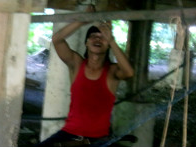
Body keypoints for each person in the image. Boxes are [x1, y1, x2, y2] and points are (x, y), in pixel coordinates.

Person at [36, 8, 135, 146]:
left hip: (99, 139)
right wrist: (81, 20)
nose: (97, 39)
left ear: (107, 46)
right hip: (69, 134)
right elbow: (57, 40)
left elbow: (129, 72)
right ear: (86, 43)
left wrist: (112, 40)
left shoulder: (112, 71)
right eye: (93, 36)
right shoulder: (76, 63)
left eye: (102, 37)